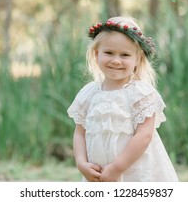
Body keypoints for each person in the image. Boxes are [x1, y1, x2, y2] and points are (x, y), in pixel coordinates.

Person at [67, 16, 178, 182]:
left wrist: (117, 168)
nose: (116, 60)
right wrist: (82, 163)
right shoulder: (88, 93)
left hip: (134, 172)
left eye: (125, 55)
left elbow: (144, 136)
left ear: (137, 60)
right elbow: (80, 134)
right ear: (97, 55)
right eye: (109, 53)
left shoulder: (140, 93)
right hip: (98, 173)